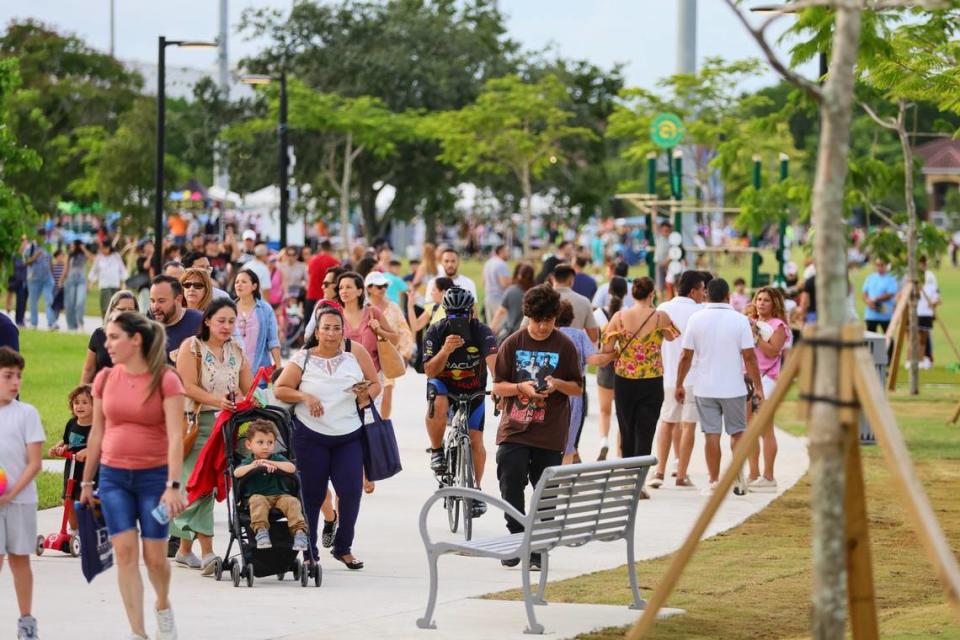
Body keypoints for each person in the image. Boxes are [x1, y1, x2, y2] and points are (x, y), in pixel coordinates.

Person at [79, 312, 187, 640]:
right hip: (112, 479)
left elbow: (174, 437)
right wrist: (86, 482)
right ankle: (138, 632)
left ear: (135, 339)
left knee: (154, 559)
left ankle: (163, 604)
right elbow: (97, 433)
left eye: (114, 337)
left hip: (154, 481)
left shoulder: (166, 380)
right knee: (125, 552)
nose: (107, 344)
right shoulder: (105, 379)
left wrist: (173, 485)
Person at [274, 305, 381, 570]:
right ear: (317, 332)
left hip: (349, 436)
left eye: (337, 328)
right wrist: (305, 396)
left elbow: (375, 382)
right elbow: (281, 389)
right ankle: (310, 553)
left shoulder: (354, 354)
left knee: (351, 493)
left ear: (343, 331)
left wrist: (365, 395)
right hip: (311, 437)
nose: (331, 334)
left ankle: (343, 547)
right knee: (311, 496)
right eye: (326, 328)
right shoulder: (304, 358)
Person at [491, 285, 583, 568]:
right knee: (510, 480)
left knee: (546, 493)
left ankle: (536, 549)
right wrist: (520, 387)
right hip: (515, 429)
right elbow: (497, 386)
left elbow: (577, 388)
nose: (542, 327)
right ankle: (517, 538)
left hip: (550, 431)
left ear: (556, 318)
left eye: (549, 320)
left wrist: (557, 385)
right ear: (528, 316)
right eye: (537, 320)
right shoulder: (512, 343)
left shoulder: (564, 346)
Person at [173, 298, 252, 573]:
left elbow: (248, 387)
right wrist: (219, 401)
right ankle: (207, 552)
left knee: (209, 485)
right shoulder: (191, 347)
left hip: (228, 425)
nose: (227, 326)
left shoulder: (236, 350)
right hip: (196, 423)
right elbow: (187, 386)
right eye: (221, 320)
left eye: (232, 321)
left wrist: (245, 400)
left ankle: (184, 550)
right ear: (207, 320)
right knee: (201, 484)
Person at [675, 278, 763, 496]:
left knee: (711, 435)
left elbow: (686, 355)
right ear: (728, 296)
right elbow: (750, 357)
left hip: (705, 387)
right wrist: (759, 387)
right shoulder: (739, 320)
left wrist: (679, 383)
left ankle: (714, 481)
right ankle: (738, 474)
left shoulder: (696, 318)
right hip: (733, 386)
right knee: (737, 433)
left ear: (706, 295)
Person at [422, 288, 498, 511]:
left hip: (473, 390)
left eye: (462, 314)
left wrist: (499, 387)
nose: (458, 320)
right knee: (439, 399)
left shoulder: (482, 331)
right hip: (444, 386)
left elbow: (495, 364)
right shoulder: (436, 332)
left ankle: (475, 490)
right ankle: (437, 450)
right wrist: (445, 351)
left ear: (472, 311)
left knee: (476, 440)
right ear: (445, 313)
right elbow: (429, 371)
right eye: (453, 315)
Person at [601, 277, 677, 464]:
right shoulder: (661, 317)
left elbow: (607, 349)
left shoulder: (618, 317)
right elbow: (671, 337)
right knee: (646, 429)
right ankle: (639, 480)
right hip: (652, 379)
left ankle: (628, 476)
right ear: (652, 294)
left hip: (624, 379)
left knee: (626, 429)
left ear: (632, 294)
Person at [0, 347, 44, 640]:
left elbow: (35, 463)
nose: (16, 382)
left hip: (21, 500)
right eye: (8, 376)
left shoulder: (26, 413)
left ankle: (26, 622)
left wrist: (9, 494)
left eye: (19, 376)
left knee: (19, 560)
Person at [649, 270, 705, 489]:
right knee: (688, 425)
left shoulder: (663, 309)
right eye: (702, 289)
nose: (703, 294)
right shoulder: (701, 312)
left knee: (667, 422)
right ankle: (681, 473)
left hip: (668, 375)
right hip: (694, 377)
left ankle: (660, 470)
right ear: (693, 290)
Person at [233, 420, 309, 551]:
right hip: (257, 496)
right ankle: (261, 531)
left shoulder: (277, 458)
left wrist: (273, 464)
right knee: (257, 501)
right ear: (249, 444)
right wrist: (255, 465)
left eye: (270, 442)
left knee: (293, 502)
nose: (265, 446)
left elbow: (291, 468)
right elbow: (236, 472)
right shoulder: (249, 461)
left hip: (280, 496)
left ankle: (299, 532)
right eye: (260, 442)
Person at [556, 300, 611, 464]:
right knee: (569, 442)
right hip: (573, 393)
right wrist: (613, 355)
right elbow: (594, 359)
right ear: (571, 317)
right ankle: (563, 479)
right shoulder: (579, 335)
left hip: (551, 391)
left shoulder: (550, 334)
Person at [747, 287, 790, 492]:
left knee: (765, 428)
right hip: (748, 378)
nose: (761, 303)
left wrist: (756, 337)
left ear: (775, 304)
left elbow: (773, 351)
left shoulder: (778, 325)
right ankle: (753, 473)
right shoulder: (749, 321)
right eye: (759, 299)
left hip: (767, 380)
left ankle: (769, 475)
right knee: (749, 429)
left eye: (766, 300)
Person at [365, 271, 414, 419]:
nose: (383, 289)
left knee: (387, 389)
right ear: (369, 288)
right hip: (366, 357)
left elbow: (404, 331)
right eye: (379, 286)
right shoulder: (363, 308)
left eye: (385, 286)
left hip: (387, 356)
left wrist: (405, 355)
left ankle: (383, 424)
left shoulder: (393, 307)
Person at [47, 384, 94, 532]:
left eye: (85, 402)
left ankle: (91, 530)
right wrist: (58, 448)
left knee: (84, 501)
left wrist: (88, 450)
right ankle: (74, 531)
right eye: (76, 402)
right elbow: (67, 442)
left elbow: (103, 444)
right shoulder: (72, 423)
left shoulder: (96, 426)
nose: (79, 406)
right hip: (71, 467)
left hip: (88, 469)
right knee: (67, 500)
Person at [335, 271, 399, 378]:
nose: (343, 291)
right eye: (341, 288)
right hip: (343, 377)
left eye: (348, 287)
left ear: (359, 291)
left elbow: (395, 339)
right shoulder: (335, 315)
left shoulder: (373, 312)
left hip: (373, 377)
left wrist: (379, 330)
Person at [594, 275, 627, 461]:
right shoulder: (627, 314)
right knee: (621, 413)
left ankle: (604, 440)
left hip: (605, 365)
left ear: (608, 291)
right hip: (623, 367)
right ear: (626, 293)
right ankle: (620, 450)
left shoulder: (598, 314)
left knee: (604, 410)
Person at [81, 290, 139, 384]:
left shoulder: (140, 337)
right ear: (112, 310)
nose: (126, 314)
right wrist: (82, 393)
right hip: (100, 393)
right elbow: (89, 370)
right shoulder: (99, 335)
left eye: (131, 310)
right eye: (122, 309)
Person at [233, 270, 281, 379]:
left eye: (244, 282)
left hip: (260, 375)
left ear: (254, 286)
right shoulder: (228, 308)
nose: (239, 285)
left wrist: (279, 368)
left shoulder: (265, 309)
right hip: (233, 374)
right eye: (237, 282)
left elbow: (273, 341)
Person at [149, 275, 203, 365]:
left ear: (178, 299)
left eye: (161, 301)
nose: (155, 307)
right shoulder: (148, 329)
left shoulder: (200, 322)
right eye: (152, 301)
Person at [548, 263, 599, 343]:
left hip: (546, 352)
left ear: (552, 279)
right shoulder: (584, 301)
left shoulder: (541, 298)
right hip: (575, 351)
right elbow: (594, 337)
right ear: (571, 281)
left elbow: (524, 328)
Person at [490, 263, 535, 343]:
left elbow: (500, 312)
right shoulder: (535, 292)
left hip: (512, 334)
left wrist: (491, 329)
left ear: (519, 275)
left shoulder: (511, 291)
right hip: (531, 334)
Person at [23, 236, 57, 330]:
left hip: (47, 279)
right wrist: (35, 256)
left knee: (49, 300)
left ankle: (51, 323)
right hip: (34, 279)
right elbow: (26, 263)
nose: (42, 237)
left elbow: (50, 262)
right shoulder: (30, 248)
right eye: (40, 235)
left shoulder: (47, 247)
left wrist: (54, 276)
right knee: (33, 302)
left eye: (43, 234)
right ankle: (34, 323)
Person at [88, 241, 128, 316]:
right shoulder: (99, 257)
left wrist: (124, 283)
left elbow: (122, 270)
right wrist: (90, 284)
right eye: (101, 248)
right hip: (104, 285)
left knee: (116, 306)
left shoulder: (116, 256)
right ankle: (106, 324)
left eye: (104, 248)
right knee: (105, 307)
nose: (102, 250)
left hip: (115, 285)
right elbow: (94, 271)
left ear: (109, 248)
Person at [306, 240, 340, 321]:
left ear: (320, 248)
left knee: (309, 326)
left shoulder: (312, 261)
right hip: (327, 298)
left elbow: (309, 276)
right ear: (330, 248)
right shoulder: (334, 262)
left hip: (311, 296)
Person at [61, 239, 91, 332]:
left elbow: (91, 258)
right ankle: (71, 326)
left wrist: (84, 248)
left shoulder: (83, 255)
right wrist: (61, 280)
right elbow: (66, 268)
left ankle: (80, 322)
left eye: (73, 245)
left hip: (81, 281)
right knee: (70, 304)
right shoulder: (69, 255)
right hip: (70, 281)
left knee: (80, 302)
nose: (72, 246)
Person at [862, 258, 899, 333]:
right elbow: (865, 292)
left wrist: (876, 299)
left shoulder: (891, 278)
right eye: (877, 265)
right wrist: (868, 301)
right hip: (871, 315)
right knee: (871, 340)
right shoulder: (870, 277)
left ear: (886, 266)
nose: (879, 267)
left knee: (888, 339)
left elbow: (890, 294)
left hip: (885, 314)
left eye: (882, 265)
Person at [916, 256, 940, 369]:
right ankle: (920, 359)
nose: (922, 264)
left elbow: (936, 295)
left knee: (925, 337)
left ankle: (927, 358)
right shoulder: (914, 275)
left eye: (924, 262)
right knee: (917, 337)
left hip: (926, 312)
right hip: (916, 311)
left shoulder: (930, 276)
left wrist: (934, 307)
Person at [482, 244, 512, 324]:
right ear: (501, 252)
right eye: (507, 251)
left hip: (488, 298)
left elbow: (483, 282)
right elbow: (504, 284)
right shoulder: (501, 264)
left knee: (491, 327)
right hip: (499, 299)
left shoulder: (488, 263)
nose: (508, 253)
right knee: (501, 327)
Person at [654, 222, 672, 295]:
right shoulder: (658, 237)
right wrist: (654, 211)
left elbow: (673, 252)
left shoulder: (672, 240)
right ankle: (661, 302)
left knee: (669, 284)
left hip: (669, 265)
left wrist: (667, 261)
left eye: (667, 231)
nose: (665, 233)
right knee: (659, 286)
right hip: (659, 264)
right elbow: (654, 225)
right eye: (663, 231)